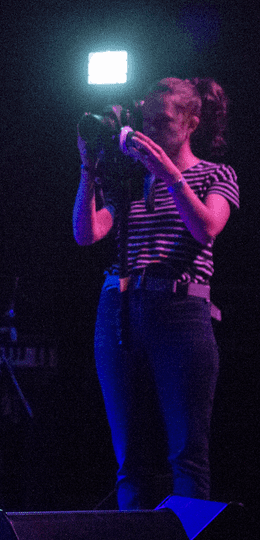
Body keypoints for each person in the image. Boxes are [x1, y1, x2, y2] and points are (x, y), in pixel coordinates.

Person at [73, 77, 236, 511]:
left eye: (162, 122)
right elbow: (86, 234)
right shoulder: (130, 182)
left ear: (191, 123)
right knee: (130, 458)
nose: (150, 131)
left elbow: (206, 226)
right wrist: (88, 168)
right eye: (146, 122)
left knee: (187, 455)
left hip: (181, 311)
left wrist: (168, 170)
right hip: (120, 309)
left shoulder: (215, 174)